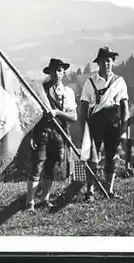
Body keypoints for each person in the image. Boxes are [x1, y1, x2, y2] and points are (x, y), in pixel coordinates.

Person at [25, 58, 78, 212]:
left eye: (60, 70)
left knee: (51, 166)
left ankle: (44, 200)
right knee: (37, 165)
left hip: (59, 133)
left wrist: (58, 112)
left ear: (64, 72)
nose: (57, 73)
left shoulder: (68, 92)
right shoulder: (40, 91)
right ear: (49, 72)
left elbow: (74, 116)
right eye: (54, 70)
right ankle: (30, 204)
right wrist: (31, 135)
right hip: (42, 132)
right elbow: (32, 114)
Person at [79, 46, 129, 202]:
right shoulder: (90, 82)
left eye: (109, 61)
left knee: (111, 156)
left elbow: (124, 107)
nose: (107, 64)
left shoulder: (119, 82)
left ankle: (109, 190)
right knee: (93, 158)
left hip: (113, 122)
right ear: (98, 63)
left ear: (112, 62)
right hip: (95, 122)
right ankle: (90, 192)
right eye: (103, 62)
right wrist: (84, 130)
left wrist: (123, 129)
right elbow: (83, 109)